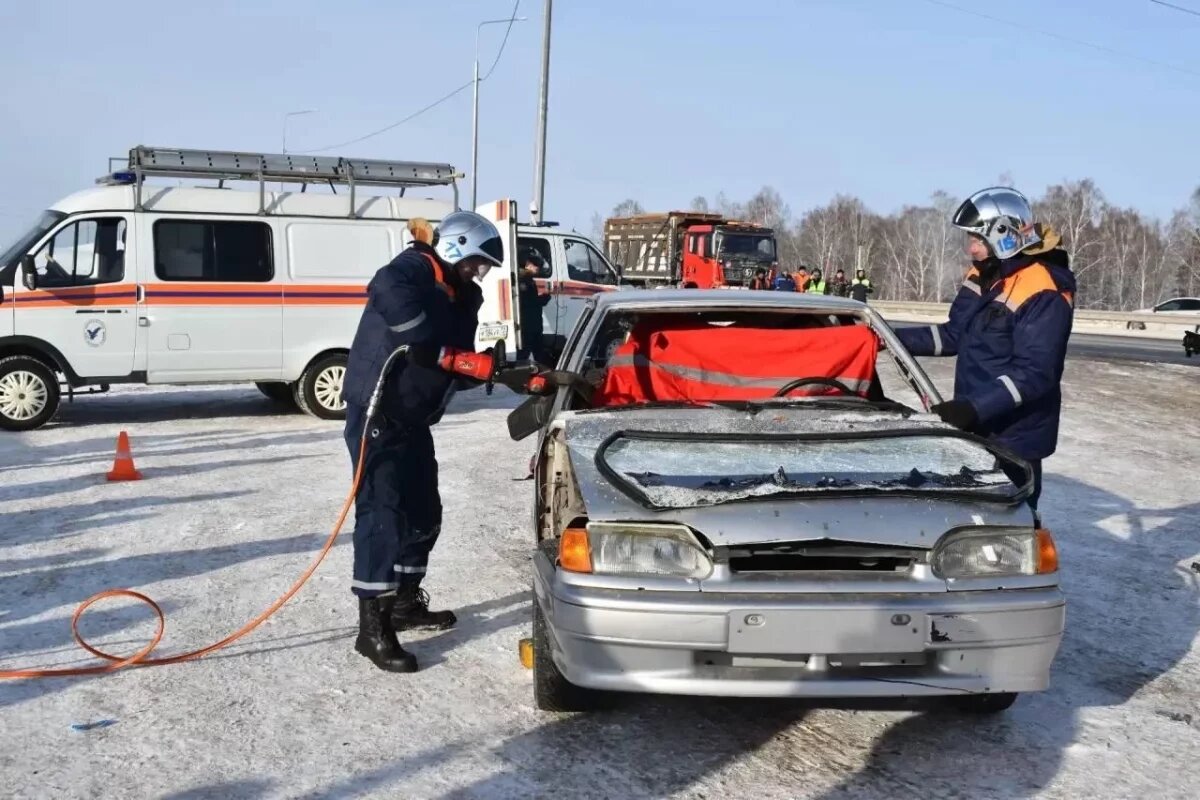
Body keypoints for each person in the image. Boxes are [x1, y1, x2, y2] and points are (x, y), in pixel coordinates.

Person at [341, 212, 506, 673]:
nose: (481, 273)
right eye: (477, 262)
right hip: (379, 410)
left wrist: (493, 368)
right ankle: (372, 628)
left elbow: (449, 360)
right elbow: (389, 294)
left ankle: (406, 602)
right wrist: (421, 341)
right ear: (454, 247)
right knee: (382, 514)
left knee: (424, 513)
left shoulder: (463, 295)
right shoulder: (414, 268)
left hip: (414, 417)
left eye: (485, 266)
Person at [894, 187, 1075, 511]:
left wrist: (970, 408)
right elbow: (953, 335)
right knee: (968, 519)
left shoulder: (1044, 289)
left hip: (1014, 439)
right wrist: (889, 337)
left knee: (1009, 526)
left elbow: (1035, 373)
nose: (970, 248)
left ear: (1002, 235)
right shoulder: (983, 275)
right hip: (976, 427)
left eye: (975, 239)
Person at [516, 247, 552, 364]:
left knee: (538, 355)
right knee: (524, 355)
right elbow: (528, 302)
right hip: (528, 326)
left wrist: (542, 298)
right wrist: (544, 298)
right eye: (533, 264)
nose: (537, 267)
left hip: (534, 325)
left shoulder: (528, 279)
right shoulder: (522, 280)